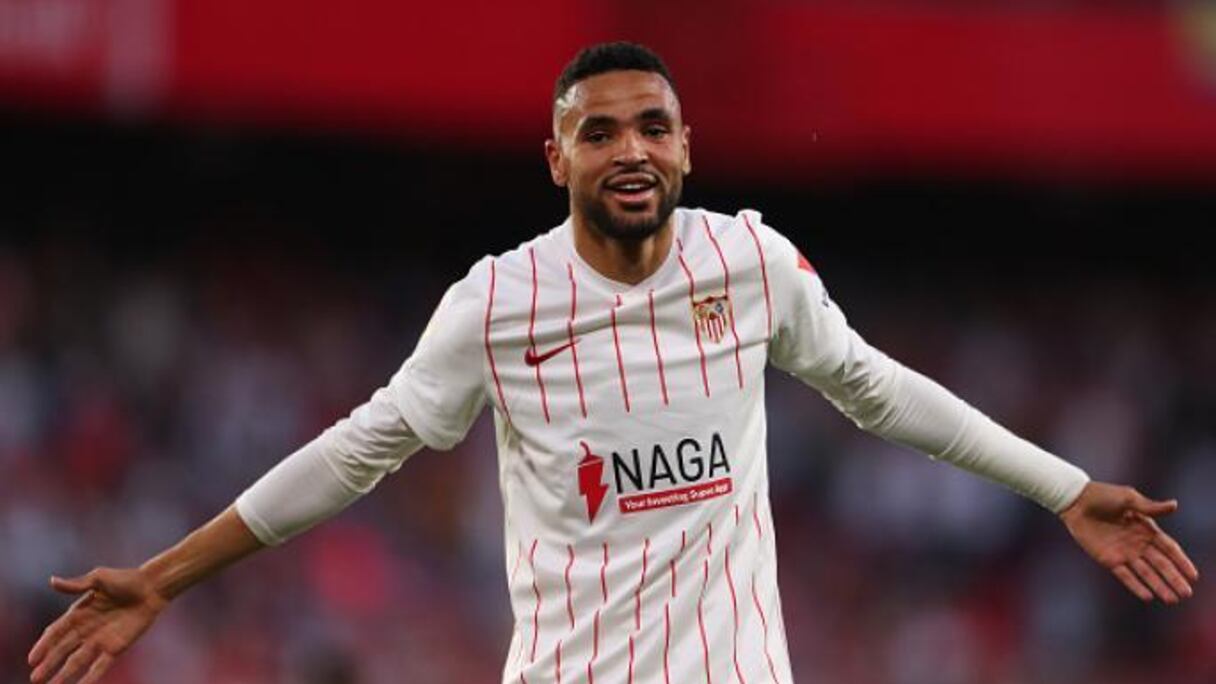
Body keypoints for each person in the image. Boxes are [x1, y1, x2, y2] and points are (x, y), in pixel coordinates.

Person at [28, 42, 1199, 684]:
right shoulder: (498, 303)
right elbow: (356, 452)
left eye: (651, 127)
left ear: (687, 147)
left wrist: (1062, 489)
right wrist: (165, 578)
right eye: (598, 132)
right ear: (556, 158)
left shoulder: (750, 264)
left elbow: (876, 388)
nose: (629, 150)